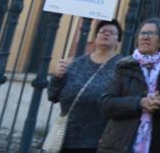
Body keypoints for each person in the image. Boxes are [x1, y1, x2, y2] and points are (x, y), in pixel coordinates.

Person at [98, 17, 160, 153]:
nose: (145, 37)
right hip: (120, 144)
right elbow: (106, 104)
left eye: (151, 34)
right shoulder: (123, 66)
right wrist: (139, 103)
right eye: (142, 33)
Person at [47, 20, 123, 153]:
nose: (106, 34)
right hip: (65, 138)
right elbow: (53, 96)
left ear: (118, 42)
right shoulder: (77, 63)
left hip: (98, 141)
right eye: (102, 31)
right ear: (95, 38)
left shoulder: (122, 67)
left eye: (112, 32)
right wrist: (57, 77)